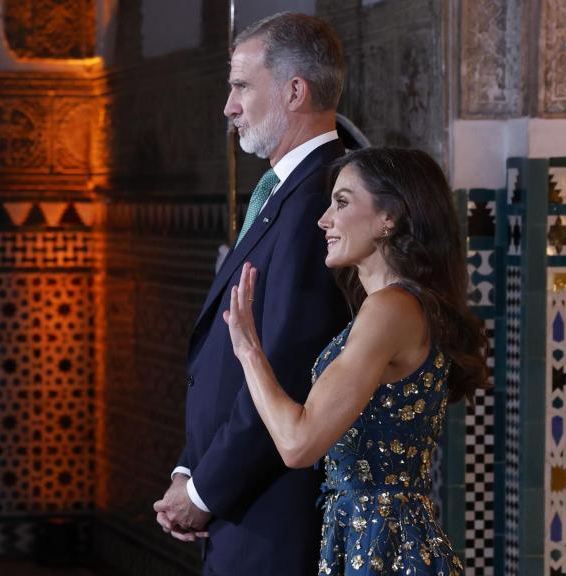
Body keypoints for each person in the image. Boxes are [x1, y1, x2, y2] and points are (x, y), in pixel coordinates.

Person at [223, 147, 489, 575]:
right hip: (372, 538)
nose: (323, 219)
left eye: (342, 202)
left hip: (385, 547)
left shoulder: (391, 309)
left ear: (390, 218)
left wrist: (248, 351)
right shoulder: (398, 306)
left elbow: (298, 443)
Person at [152, 12, 351, 576]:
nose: (228, 106)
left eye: (240, 85)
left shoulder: (320, 198)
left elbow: (288, 363)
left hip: (272, 515)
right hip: (238, 503)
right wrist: (190, 471)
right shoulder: (281, 191)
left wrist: (207, 492)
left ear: (294, 90)